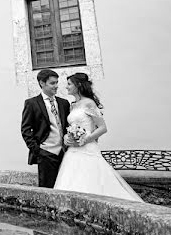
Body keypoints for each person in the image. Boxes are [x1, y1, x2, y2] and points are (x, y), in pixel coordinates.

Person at [53, 73, 142, 201]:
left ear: (78, 85)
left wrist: (85, 139)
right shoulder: (73, 105)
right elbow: (72, 126)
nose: (66, 87)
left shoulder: (89, 103)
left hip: (87, 149)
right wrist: (67, 137)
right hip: (73, 151)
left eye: (69, 84)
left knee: (91, 181)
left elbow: (102, 127)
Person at [20, 69, 71, 188]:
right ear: (42, 83)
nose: (56, 86)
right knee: (47, 188)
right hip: (46, 153)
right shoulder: (31, 103)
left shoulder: (64, 103)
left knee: (65, 186)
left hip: (65, 152)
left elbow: (68, 125)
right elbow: (25, 129)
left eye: (57, 82)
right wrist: (37, 151)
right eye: (52, 83)